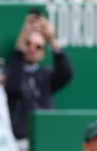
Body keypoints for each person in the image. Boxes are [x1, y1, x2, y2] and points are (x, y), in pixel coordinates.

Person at [6, 13, 73, 142]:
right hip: (19, 139)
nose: (31, 49)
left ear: (43, 52)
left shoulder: (46, 75)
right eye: (28, 43)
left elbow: (66, 73)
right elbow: (13, 86)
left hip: (48, 137)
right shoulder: (13, 71)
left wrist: (52, 39)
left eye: (38, 47)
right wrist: (22, 40)